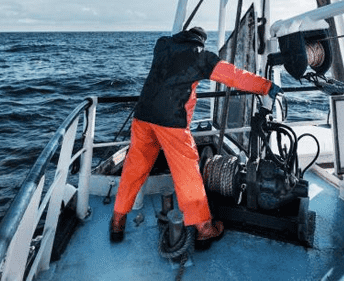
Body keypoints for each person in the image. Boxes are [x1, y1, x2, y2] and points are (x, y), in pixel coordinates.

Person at [110, 26, 281, 248]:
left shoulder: (162, 46)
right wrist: (265, 86)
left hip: (143, 116)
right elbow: (233, 76)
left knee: (134, 169)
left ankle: (117, 221)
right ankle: (204, 229)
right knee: (187, 175)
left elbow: (167, 47)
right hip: (171, 122)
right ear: (200, 43)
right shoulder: (200, 56)